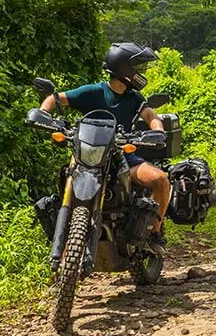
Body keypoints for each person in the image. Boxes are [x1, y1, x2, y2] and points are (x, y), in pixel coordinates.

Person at [38, 42, 171, 249]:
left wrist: (158, 131)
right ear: (125, 69)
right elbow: (55, 98)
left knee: (160, 179)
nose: (142, 72)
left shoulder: (134, 98)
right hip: (88, 156)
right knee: (64, 178)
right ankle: (64, 243)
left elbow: (151, 116)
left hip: (122, 157)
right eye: (139, 67)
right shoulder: (93, 91)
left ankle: (154, 235)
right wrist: (43, 114)